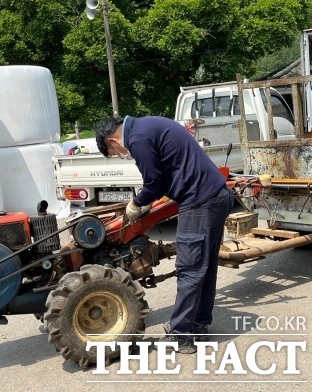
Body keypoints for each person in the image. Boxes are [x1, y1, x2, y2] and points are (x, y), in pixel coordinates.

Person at [95, 115, 234, 354]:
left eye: (114, 152)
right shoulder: (147, 125)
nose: (120, 155)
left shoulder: (137, 138)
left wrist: (137, 204)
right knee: (204, 266)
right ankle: (197, 327)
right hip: (215, 195)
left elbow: (154, 182)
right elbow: (164, 172)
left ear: (113, 141)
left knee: (190, 268)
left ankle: (180, 335)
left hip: (199, 201)